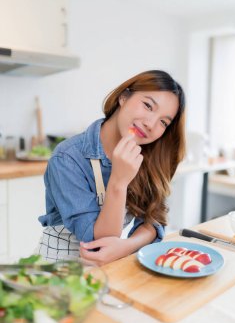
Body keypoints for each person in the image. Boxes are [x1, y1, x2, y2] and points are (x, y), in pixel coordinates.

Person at [37, 70, 186, 265]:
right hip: (58, 271)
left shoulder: (147, 157)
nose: (150, 124)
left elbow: (153, 221)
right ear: (124, 97)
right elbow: (97, 244)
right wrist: (119, 182)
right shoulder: (68, 158)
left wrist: (127, 245)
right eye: (148, 105)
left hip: (109, 268)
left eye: (163, 122)